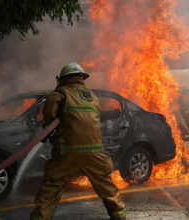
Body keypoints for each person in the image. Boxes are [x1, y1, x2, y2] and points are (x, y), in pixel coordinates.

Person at [30, 62, 126, 220]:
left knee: (50, 193)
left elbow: (48, 117)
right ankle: (120, 217)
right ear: (81, 78)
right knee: (109, 192)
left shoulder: (59, 94)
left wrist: (53, 132)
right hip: (94, 154)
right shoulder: (92, 96)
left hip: (66, 153)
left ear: (62, 79)